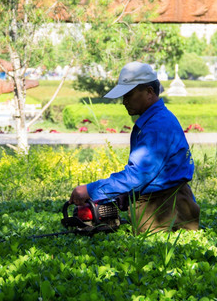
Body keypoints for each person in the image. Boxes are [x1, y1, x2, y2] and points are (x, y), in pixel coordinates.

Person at [69, 61, 200, 233]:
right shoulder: (155, 119)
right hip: (166, 201)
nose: (124, 101)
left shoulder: (157, 125)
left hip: (164, 207)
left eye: (128, 95)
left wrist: (90, 190)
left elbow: (137, 175)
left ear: (149, 92)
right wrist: (127, 193)